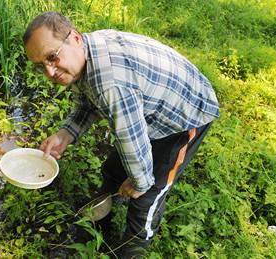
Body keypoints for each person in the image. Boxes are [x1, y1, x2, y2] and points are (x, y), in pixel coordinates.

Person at [23, 11, 219, 258]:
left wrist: (139, 182)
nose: (50, 73)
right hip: (150, 105)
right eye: (41, 65)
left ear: (74, 38)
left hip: (186, 113)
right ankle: (98, 221)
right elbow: (87, 101)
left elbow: (130, 139)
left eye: (52, 57)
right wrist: (65, 134)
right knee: (114, 171)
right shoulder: (85, 54)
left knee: (146, 196)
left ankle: (132, 250)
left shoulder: (111, 84)